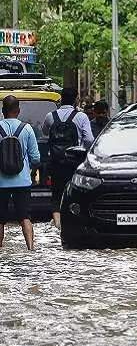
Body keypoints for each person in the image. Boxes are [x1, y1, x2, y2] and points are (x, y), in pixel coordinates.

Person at [41, 87, 94, 229]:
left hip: (56, 162)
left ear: (60, 99)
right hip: (75, 162)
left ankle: (58, 224)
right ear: (76, 99)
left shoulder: (50, 116)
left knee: (57, 191)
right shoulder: (81, 117)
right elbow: (89, 139)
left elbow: (45, 132)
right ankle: (74, 221)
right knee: (76, 191)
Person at [0, 96, 42, 251]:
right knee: (25, 217)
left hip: (1, 183)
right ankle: (30, 249)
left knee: (0, 220)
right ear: (18, 111)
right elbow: (36, 157)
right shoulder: (27, 128)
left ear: (3, 111)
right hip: (22, 181)